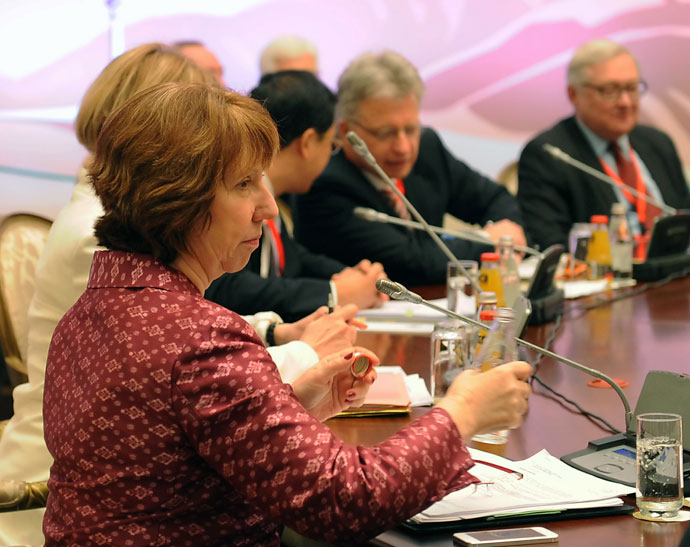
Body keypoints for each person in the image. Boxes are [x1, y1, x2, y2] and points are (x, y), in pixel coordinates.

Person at [42, 81, 532, 545]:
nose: (269, 207)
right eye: (243, 184)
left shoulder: (90, 311)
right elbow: (341, 500)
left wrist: (290, 406)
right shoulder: (202, 340)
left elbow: (170, 462)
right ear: (179, 199)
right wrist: (463, 412)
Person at [0, 44, 353, 547]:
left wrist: (274, 335)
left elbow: (171, 339)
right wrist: (300, 355)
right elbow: (175, 359)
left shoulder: (105, 225)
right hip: (75, 495)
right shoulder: (96, 234)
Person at [294, 51, 526, 287]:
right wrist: (489, 242)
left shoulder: (427, 148)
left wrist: (505, 235)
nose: (403, 147)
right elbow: (413, 262)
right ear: (346, 131)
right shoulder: (325, 184)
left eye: (411, 129)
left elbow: (496, 199)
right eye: (386, 133)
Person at [206, 70, 387, 321]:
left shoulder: (275, 195)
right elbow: (225, 287)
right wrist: (334, 293)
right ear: (309, 142)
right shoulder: (235, 195)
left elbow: (292, 258)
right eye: (331, 145)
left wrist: (351, 277)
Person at [517, 38, 690, 250]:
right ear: (574, 94)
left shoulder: (658, 143)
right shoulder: (549, 155)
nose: (625, 102)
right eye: (610, 90)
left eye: (632, 88)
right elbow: (551, 243)